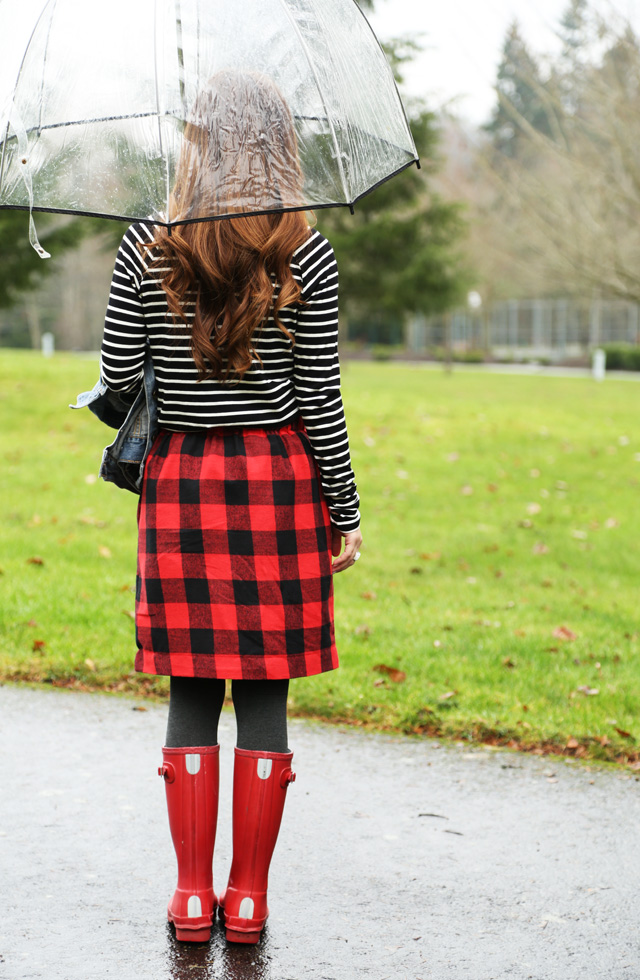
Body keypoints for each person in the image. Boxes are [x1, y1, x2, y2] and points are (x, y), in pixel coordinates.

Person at [99, 70, 362, 945]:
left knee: (190, 690)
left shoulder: (146, 243)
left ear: (197, 142)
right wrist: (346, 509)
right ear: (280, 145)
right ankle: (246, 900)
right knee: (264, 695)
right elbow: (318, 398)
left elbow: (115, 386)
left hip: (183, 487)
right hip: (277, 488)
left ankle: (187, 894)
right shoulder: (305, 249)